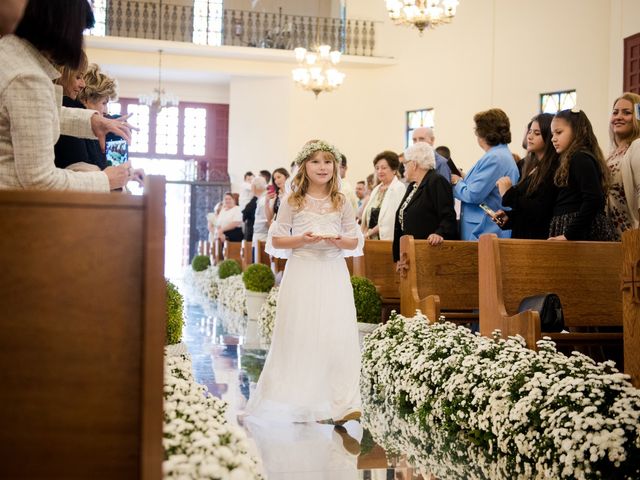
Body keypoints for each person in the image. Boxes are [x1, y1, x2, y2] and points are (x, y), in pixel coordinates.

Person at [245, 140, 363, 423]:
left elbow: (355, 239)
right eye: (315, 161)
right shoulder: (292, 200)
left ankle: (342, 403)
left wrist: (338, 239)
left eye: (327, 161)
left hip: (333, 271)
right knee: (301, 332)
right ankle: (300, 399)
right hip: (302, 270)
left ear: (335, 166)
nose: (322, 167)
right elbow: (276, 239)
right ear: (304, 167)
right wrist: (301, 239)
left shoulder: (342, 200)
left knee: (336, 334)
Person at [0, 0, 131, 192]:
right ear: (65, 27)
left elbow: (39, 116)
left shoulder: (11, 53)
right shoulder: (29, 76)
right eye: (79, 32)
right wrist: (106, 180)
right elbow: (40, 179)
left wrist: (92, 122)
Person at [451, 108, 520, 240]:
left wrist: (456, 182)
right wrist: (465, 177)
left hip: (484, 229)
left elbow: (474, 195)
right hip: (486, 226)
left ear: (483, 133)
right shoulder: (499, 154)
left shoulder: (495, 157)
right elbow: (486, 186)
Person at [548, 109, 615, 241]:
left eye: (559, 132)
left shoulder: (580, 158)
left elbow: (593, 199)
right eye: (552, 134)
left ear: (577, 130)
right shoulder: (571, 158)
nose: (553, 139)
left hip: (579, 231)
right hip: (572, 227)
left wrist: (569, 234)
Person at [493, 113, 560, 239]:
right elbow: (524, 208)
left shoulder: (554, 168)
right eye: (529, 132)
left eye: (537, 133)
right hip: (522, 234)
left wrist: (508, 193)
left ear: (549, 136)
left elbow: (540, 210)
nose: (530, 137)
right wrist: (509, 218)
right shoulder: (525, 164)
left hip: (539, 237)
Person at [393, 143, 457, 264]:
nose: (403, 167)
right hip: (409, 251)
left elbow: (448, 215)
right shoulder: (413, 186)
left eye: (405, 163)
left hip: (428, 251)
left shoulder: (437, 181)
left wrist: (439, 233)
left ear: (414, 164)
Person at [606, 92, 640, 237]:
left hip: (632, 235)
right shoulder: (611, 155)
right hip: (612, 237)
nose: (618, 117)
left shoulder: (637, 146)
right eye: (615, 112)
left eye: (627, 112)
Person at [361, 151, 406, 240]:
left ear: (394, 170)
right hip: (369, 238)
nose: (379, 171)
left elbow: (392, 219)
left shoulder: (399, 188)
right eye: (377, 168)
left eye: (384, 168)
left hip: (386, 239)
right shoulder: (376, 189)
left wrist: (370, 232)